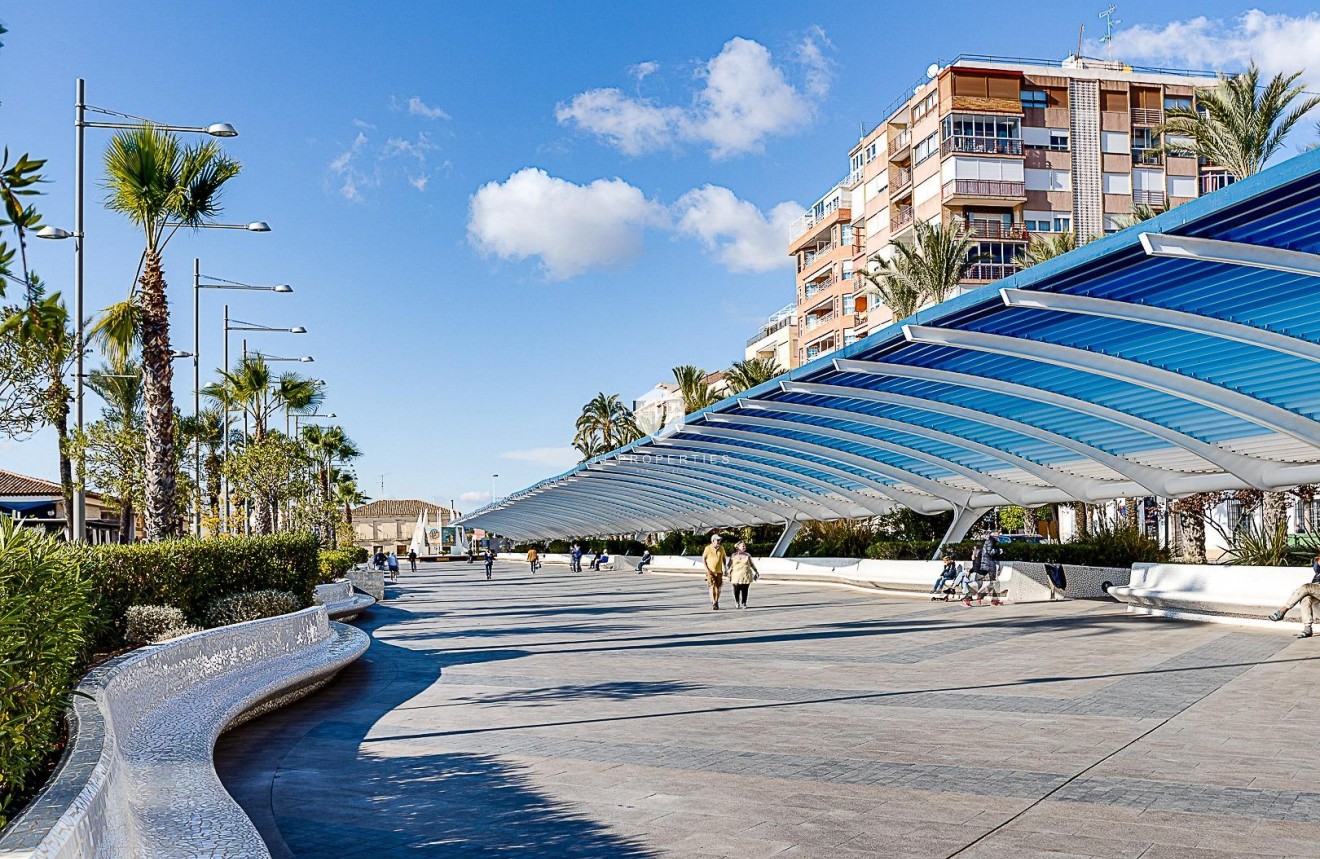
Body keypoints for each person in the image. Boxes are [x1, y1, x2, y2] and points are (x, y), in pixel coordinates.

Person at [1268, 553, 1320, 638]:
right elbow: (1316, 569)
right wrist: (1318, 561)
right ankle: (1308, 628)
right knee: (1305, 598)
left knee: (1306, 587)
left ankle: (1283, 610)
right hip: (1316, 591)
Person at [728, 541, 759, 609]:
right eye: (743, 546)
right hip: (736, 576)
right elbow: (729, 565)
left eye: (745, 546)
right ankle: (737, 601)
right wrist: (728, 572)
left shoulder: (748, 555)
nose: (744, 547)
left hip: (746, 575)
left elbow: (751, 564)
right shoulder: (733, 555)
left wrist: (756, 571)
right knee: (736, 590)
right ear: (738, 547)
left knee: (745, 590)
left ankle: (744, 602)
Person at [702, 534, 728, 610]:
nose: (719, 541)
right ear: (713, 541)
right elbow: (703, 558)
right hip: (710, 571)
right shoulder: (708, 548)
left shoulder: (721, 548)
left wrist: (725, 567)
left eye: (720, 540)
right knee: (712, 586)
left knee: (718, 587)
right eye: (717, 540)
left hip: (719, 571)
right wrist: (706, 568)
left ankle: (716, 601)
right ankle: (713, 602)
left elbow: (723, 558)